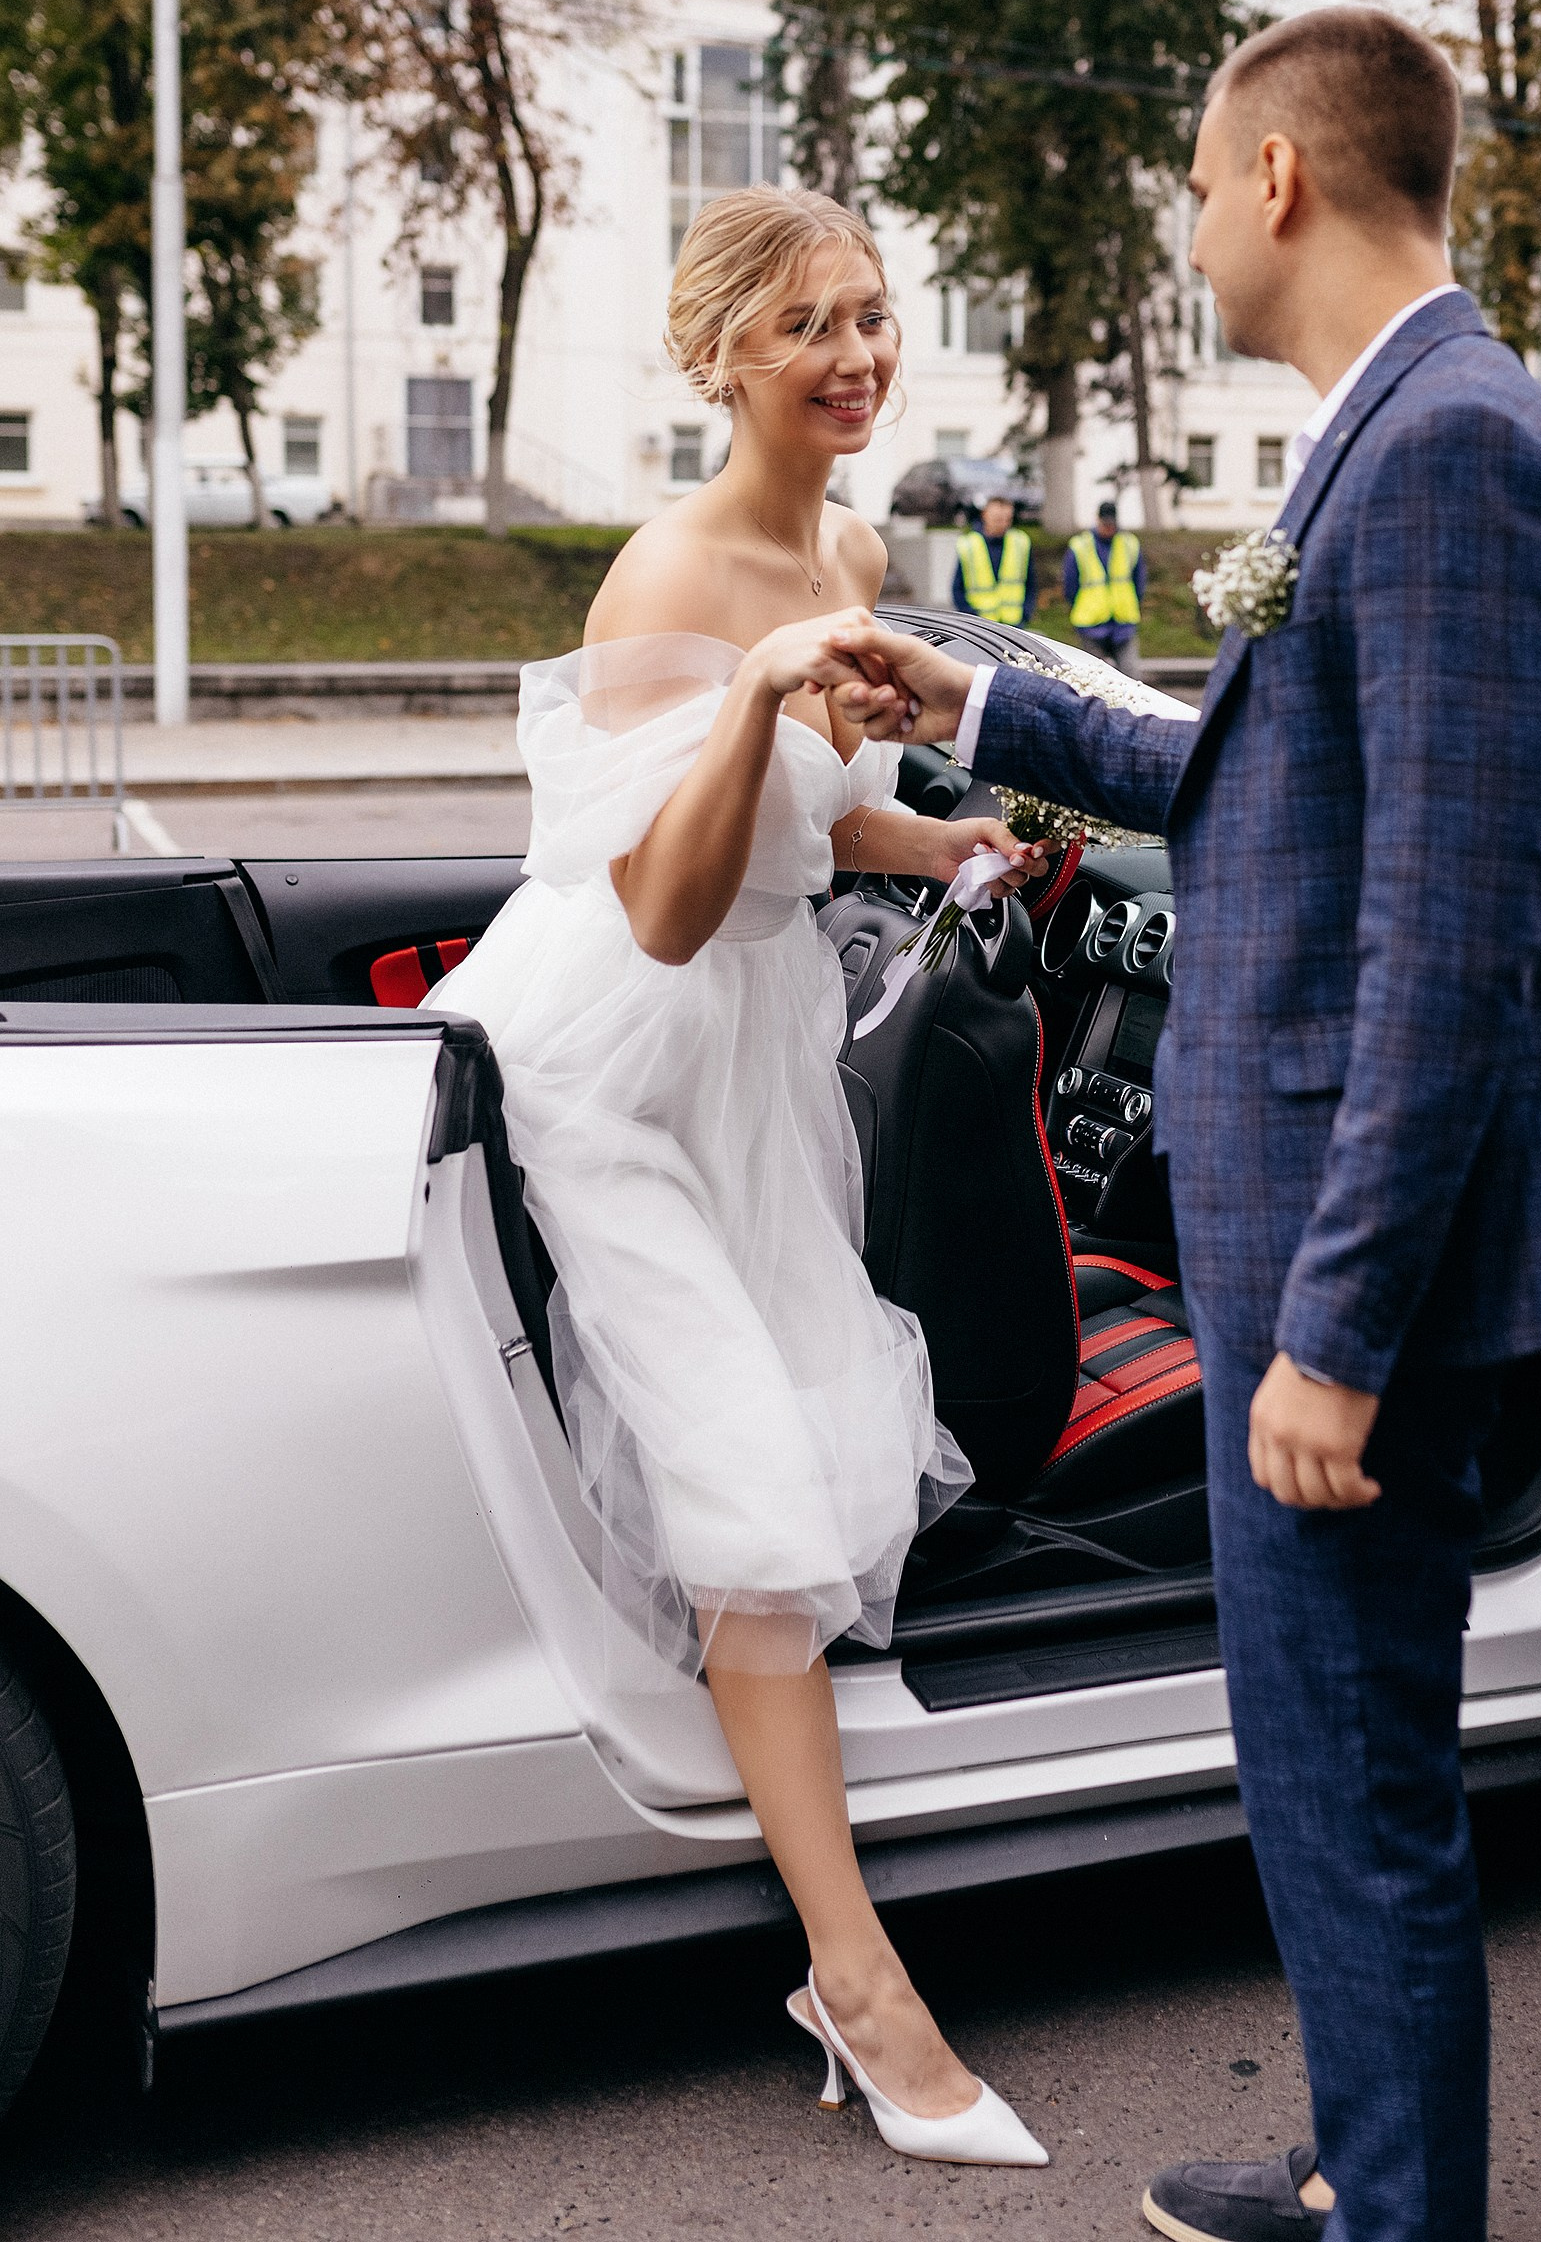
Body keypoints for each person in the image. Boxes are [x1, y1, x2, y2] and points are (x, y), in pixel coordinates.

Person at [829, 7, 1541, 2242]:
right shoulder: (1395, 437)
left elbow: (1461, 949)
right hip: (1302, 1246)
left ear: (1278, 176)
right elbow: (1266, 790)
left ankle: (1396, 2216)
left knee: (1357, 1773)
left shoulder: (1455, 450)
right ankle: (1365, 2158)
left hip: (1353, 1279)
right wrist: (984, 700)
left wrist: (1340, 1333)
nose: (1186, 225)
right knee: (1319, 1758)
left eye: (1190, 180)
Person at [432, 187, 1048, 2170]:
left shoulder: (856, 539)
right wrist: (765, 680)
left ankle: (841, 1955)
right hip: (619, 1065)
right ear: (720, 359)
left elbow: (818, 829)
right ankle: (861, 1984)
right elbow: (675, 907)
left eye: (874, 314)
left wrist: (940, 850)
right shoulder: (662, 584)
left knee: (812, 1449)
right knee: (758, 1510)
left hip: (762, 1076)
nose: (859, 356)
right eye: (811, 327)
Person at [1064, 498, 1147, 672]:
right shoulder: (1080, 545)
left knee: (1130, 676)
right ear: (1098, 520)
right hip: (1090, 623)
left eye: (1112, 524)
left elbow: (1139, 581)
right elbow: (1070, 586)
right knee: (1093, 678)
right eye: (1105, 524)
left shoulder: (1129, 543)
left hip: (1123, 622)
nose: (1109, 528)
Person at [952, 489, 1038, 624]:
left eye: (1007, 519)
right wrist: (969, 615)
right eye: (998, 519)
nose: (1003, 524)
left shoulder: (1020, 542)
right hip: (979, 624)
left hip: (1014, 623)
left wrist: (1025, 613)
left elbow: (1030, 583)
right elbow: (957, 588)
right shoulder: (969, 545)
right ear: (985, 515)